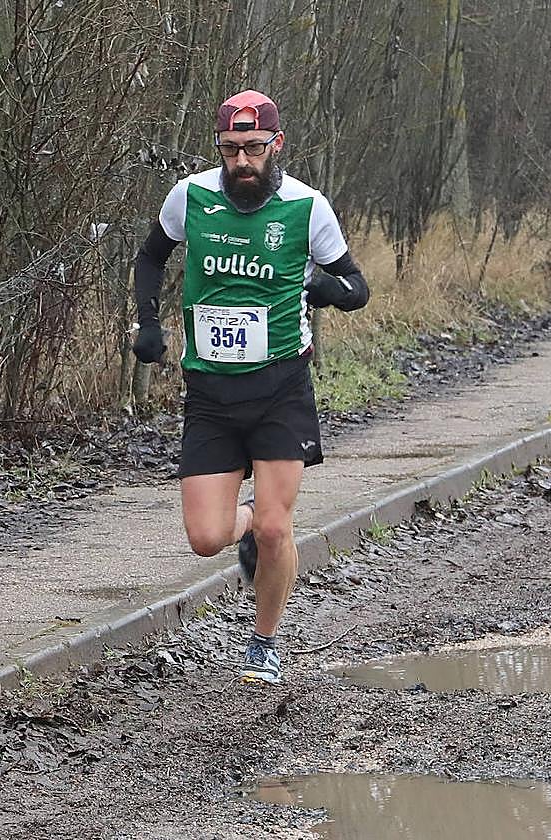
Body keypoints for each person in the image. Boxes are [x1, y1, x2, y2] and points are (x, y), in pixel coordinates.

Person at [132, 90, 369, 684]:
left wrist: (326, 289)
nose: (242, 161)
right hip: (210, 392)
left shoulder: (306, 207)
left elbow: (356, 287)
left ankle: (264, 642)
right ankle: (248, 520)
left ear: (276, 145)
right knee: (206, 537)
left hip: (280, 388)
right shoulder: (191, 197)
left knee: (275, 526)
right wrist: (149, 323)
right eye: (231, 149)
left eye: (254, 148)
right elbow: (149, 259)